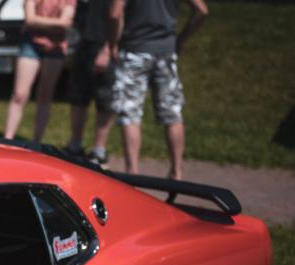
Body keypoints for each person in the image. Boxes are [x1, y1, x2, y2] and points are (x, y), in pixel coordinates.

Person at [107, 0, 209, 179]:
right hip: (166, 51)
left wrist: (112, 43)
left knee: (130, 113)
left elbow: (114, 14)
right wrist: (181, 38)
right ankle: (176, 172)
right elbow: (201, 10)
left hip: (134, 50)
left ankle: (133, 173)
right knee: (172, 113)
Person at [4, 0, 76, 141]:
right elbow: (30, 19)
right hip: (31, 43)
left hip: (56, 46)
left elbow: (65, 23)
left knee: (45, 95)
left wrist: (38, 22)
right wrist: (55, 23)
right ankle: (7, 140)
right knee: (20, 94)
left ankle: (36, 142)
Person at [65, 0, 115, 166]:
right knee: (78, 97)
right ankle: (75, 146)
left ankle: (99, 151)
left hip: (103, 44)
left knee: (104, 98)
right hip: (83, 43)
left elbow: (119, 16)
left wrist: (108, 49)